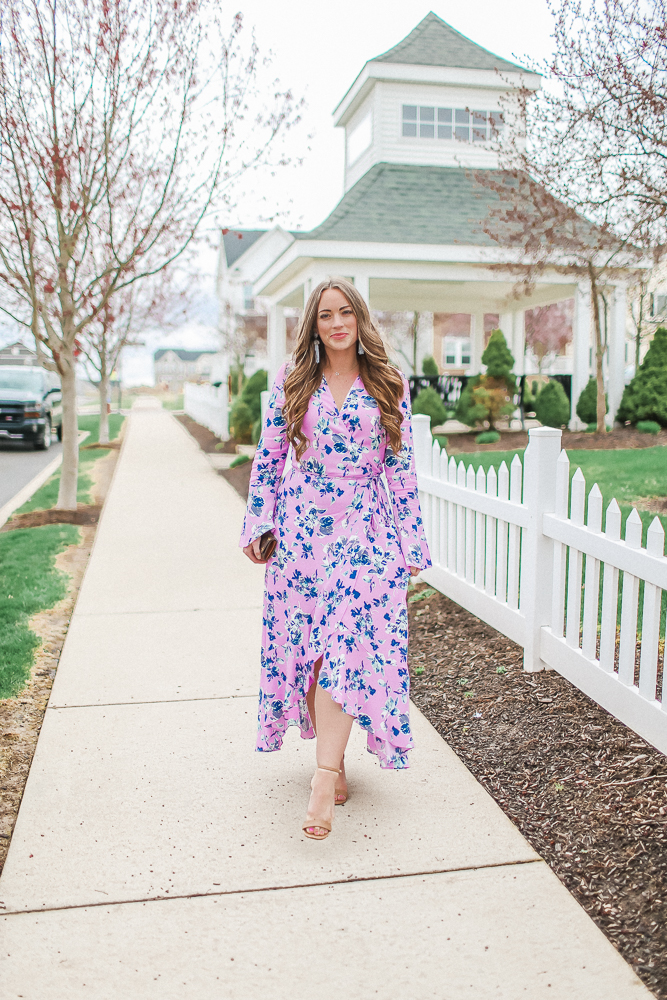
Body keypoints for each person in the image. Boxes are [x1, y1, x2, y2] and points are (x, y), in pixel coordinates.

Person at [240, 277, 431, 840]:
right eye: (325, 315)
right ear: (315, 325)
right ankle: (336, 756)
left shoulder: (388, 382)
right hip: (304, 531)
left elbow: (400, 465)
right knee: (314, 652)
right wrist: (259, 522)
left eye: (346, 312)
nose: (337, 323)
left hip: (366, 529)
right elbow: (269, 457)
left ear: (360, 318)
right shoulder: (294, 381)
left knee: (347, 638)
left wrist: (411, 539)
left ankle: (323, 779)